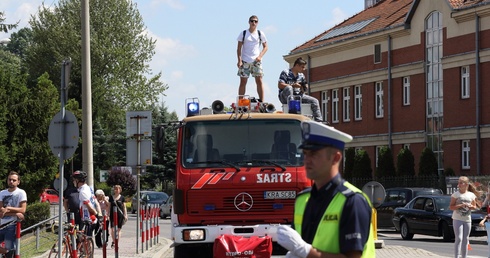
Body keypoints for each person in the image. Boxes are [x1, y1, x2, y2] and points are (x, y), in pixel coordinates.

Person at [277, 121, 375, 258]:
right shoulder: (302, 199)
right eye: (305, 153)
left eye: (313, 154)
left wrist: (305, 251)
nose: (307, 160)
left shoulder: (353, 201)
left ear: (336, 158)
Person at [278, 57, 322, 122]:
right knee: (289, 88)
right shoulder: (286, 72)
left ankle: (319, 121)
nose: (303, 69)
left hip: (298, 96)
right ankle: (293, 111)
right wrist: (293, 85)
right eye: (302, 67)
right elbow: (280, 85)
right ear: (297, 65)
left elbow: (305, 86)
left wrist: (303, 88)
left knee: (314, 101)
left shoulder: (301, 75)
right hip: (285, 96)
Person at [237, 15, 268, 102]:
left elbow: (266, 47)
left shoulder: (260, 33)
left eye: (255, 21)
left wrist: (260, 56)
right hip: (245, 61)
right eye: (252, 21)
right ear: (249, 22)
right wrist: (239, 60)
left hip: (256, 61)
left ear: (257, 23)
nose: (253, 23)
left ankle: (262, 101)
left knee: (259, 80)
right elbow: (239, 48)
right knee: (243, 82)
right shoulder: (243, 33)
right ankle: (240, 102)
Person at [450, 176, 480, 258]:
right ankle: (456, 256)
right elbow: (451, 207)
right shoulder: (455, 195)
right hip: (457, 218)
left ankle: (464, 256)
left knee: (466, 239)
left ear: (466, 184)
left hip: (467, 219)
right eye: (458, 182)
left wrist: (470, 206)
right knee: (459, 238)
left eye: (461, 183)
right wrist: (460, 205)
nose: (459, 184)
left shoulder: (471, 195)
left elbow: (475, 206)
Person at [0, 171, 27, 256]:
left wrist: (8, 208)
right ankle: (7, 252)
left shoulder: (21, 192)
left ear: (18, 182)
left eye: (14, 180)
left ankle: (9, 253)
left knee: (9, 248)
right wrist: (15, 213)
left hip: (12, 225)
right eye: (9, 179)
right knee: (8, 251)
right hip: (1, 224)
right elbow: (1, 210)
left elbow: (22, 210)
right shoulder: (2, 193)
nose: (11, 181)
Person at [72, 170, 101, 235]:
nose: (73, 182)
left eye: (74, 180)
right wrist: (99, 214)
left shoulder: (83, 192)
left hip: (88, 219)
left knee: (86, 241)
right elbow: (96, 202)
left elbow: (89, 207)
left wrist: (96, 214)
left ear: (77, 180)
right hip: (91, 219)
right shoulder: (89, 188)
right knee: (84, 240)